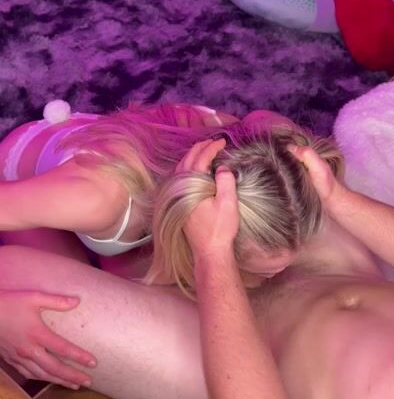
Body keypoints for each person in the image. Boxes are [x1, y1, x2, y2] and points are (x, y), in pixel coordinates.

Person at [0, 139, 394, 399]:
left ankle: (33, 178)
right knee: (272, 146)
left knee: (15, 284)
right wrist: (340, 200)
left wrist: (213, 257)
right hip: (339, 272)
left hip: (242, 381)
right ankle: (56, 162)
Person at [0, 100, 238, 274]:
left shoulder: (229, 132)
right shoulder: (94, 199)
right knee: (73, 301)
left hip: (100, 139)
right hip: (23, 162)